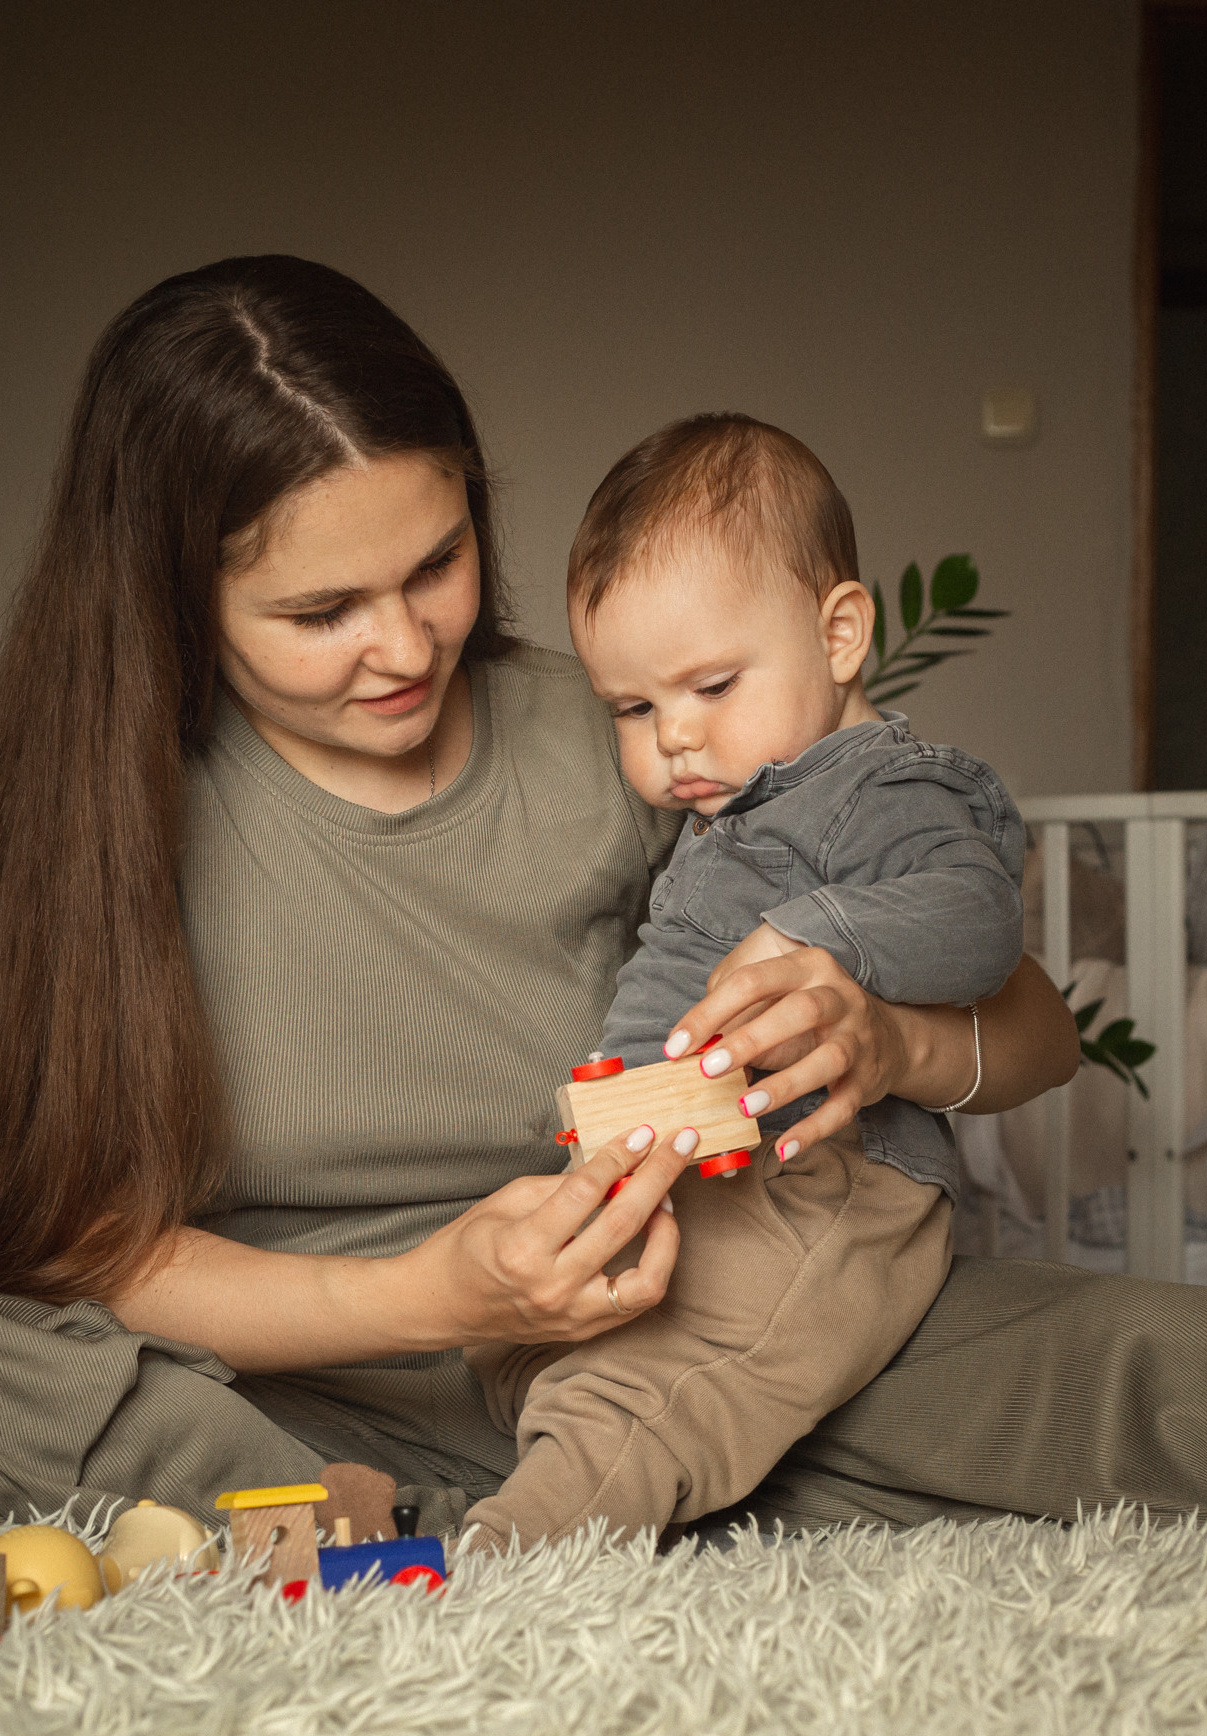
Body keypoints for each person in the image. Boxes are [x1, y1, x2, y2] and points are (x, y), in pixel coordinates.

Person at [0, 255, 1196, 1543]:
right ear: (181, 599)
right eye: (323, 610)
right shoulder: (92, 813)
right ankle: (494, 1514)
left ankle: (477, 1521)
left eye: (437, 563)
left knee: (1145, 1369)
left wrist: (889, 1042)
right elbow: (86, 1251)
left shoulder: (636, 732)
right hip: (302, 1382)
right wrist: (431, 1296)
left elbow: (1038, 1034)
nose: (404, 646)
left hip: (672, 1327)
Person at [462, 415, 1024, 1550]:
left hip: (835, 1175)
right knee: (527, 1335)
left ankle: (522, 1549)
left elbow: (981, 918)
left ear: (839, 634)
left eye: (711, 685)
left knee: (677, 1378)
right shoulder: (731, 802)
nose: (673, 736)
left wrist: (816, 937)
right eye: (633, 709)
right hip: (716, 1158)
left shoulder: (881, 789)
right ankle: (570, 1442)